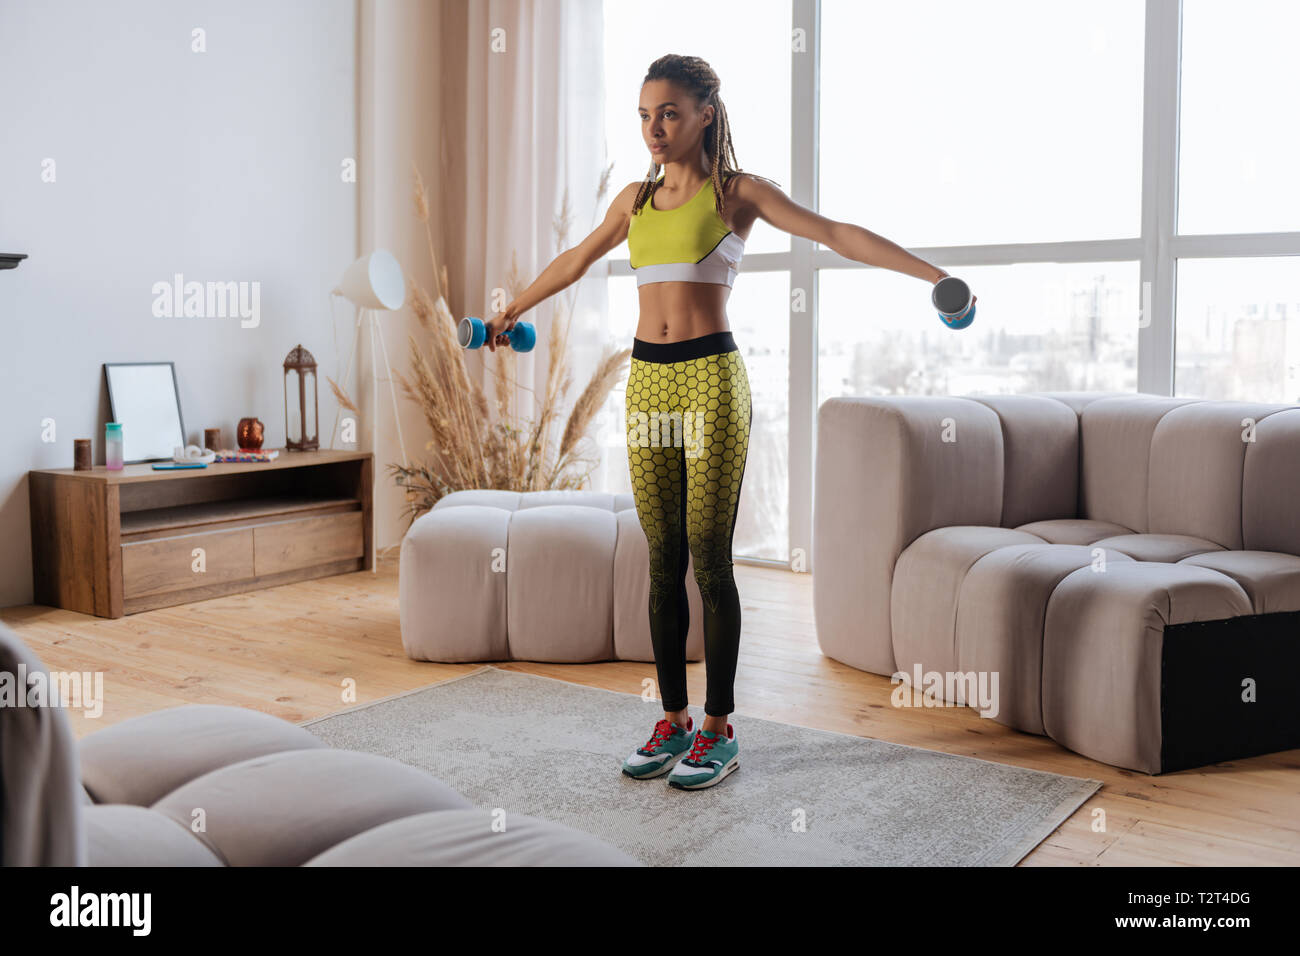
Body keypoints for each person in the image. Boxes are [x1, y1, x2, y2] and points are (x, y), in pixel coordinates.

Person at [485, 53, 969, 791]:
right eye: (645, 115)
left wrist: (934, 276)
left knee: (709, 556)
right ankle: (672, 719)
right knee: (661, 556)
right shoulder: (633, 201)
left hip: (712, 380)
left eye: (669, 113)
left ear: (706, 112)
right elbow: (577, 258)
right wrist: (511, 309)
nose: (654, 128)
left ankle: (719, 728)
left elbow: (835, 231)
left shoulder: (735, 193)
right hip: (647, 384)